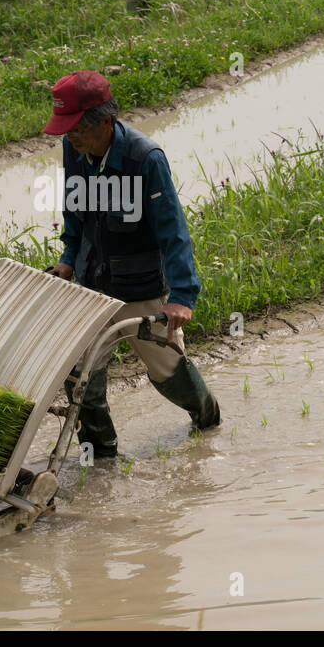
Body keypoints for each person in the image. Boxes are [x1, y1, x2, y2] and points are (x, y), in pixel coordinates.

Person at [43, 70, 220, 459]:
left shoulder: (145, 159)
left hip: (140, 288)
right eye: (65, 131)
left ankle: (208, 423)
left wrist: (183, 296)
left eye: (75, 129)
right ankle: (100, 458)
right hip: (91, 284)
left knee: (168, 370)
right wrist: (69, 259)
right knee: (82, 375)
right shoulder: (75, 150)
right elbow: (75, 210)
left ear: (105, 122)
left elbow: (172, 229)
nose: (69, 138)